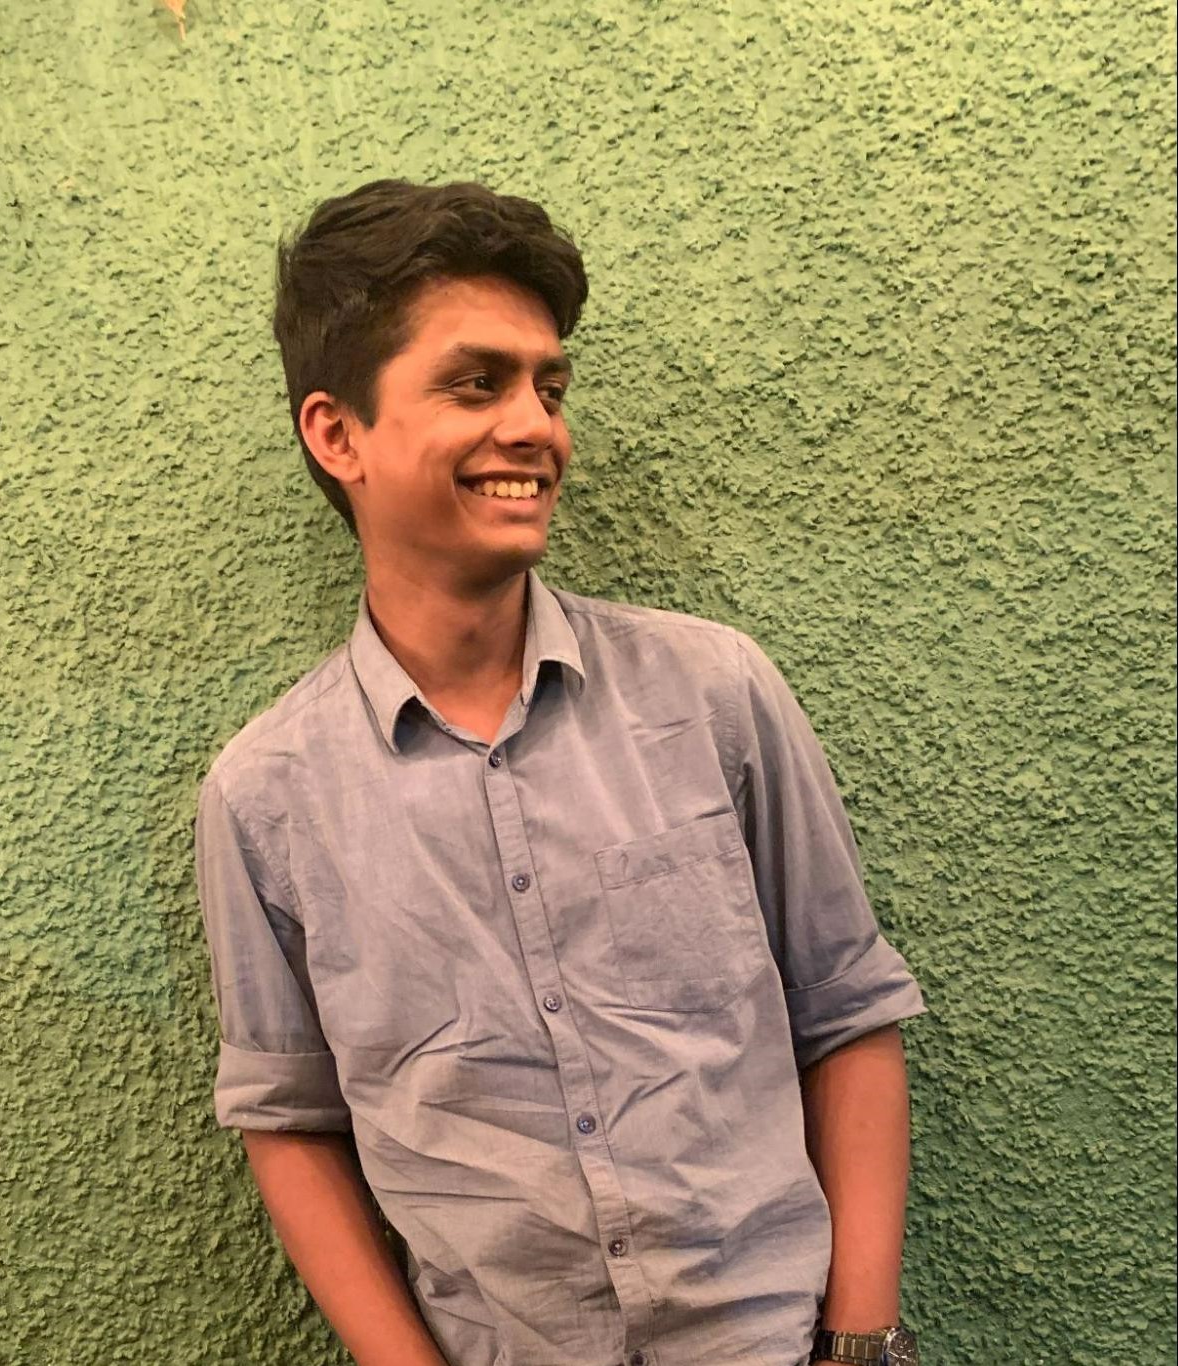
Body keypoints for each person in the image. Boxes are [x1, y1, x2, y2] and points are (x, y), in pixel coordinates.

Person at [193, 179, 926, 1366]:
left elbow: (843, 1012)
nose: (535, 425)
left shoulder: (712, 693)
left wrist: (858, 1345)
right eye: (476, 383)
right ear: (337, 435)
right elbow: (290, 1121)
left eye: (548, 386)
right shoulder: (263, 799)